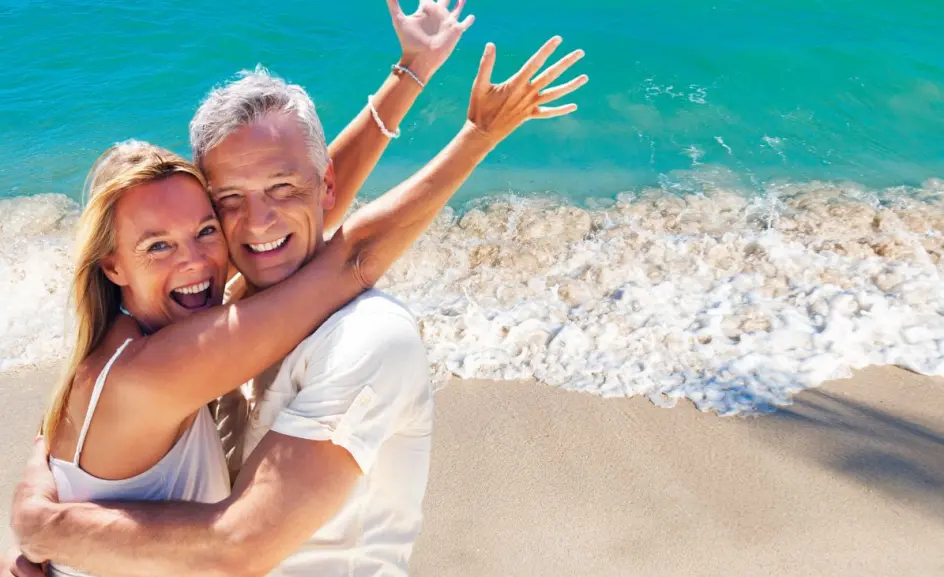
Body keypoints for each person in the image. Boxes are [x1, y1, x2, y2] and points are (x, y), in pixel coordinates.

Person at [8, 20, 587, 577]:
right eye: (158, 245)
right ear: (112, 265)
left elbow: (291, 211)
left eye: (205, 229)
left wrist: (409, 76)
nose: (197, 258)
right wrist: (476, 136)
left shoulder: (163, 326)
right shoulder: (163, 362)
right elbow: (345, 255)